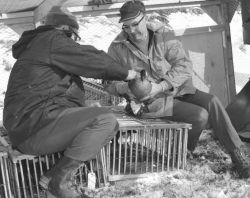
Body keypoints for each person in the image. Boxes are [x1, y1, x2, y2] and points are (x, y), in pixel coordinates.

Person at [3, 6, 138, 198]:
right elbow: (91, 59)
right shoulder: (52, 40)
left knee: (106, 124)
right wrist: (127, 73)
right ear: (66, 30)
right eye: (75, 38)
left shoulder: (40, 46)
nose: (75, 44)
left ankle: (51, 178)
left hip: (29, 124)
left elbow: (51, 93)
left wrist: (83, 107)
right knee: (105, 121)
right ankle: (59, 183)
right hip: (33, 127)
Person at [104, 0, 250, 178]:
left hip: (177, 90)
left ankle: (238, 156)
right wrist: (128, 86)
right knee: (199, 116)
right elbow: (107, 82)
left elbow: (184, 65)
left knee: (212, 101)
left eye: (135, 24)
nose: (132, 31)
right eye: (126, 27)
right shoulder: (117, 48)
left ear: (145, 18)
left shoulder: (162, 34)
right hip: (150, 103)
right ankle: (179, 154)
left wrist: (162, 85)